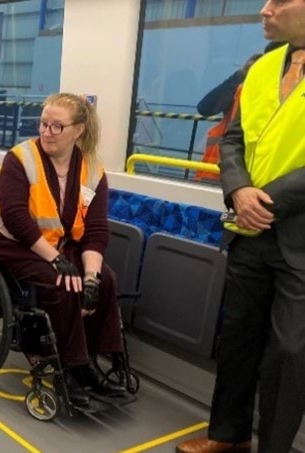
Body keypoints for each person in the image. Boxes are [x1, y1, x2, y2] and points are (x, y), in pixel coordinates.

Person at [177, 1, 305, 452]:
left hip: (298, 238)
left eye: (278, 1)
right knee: (238, 338)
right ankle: (227, 436)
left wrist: (263, 200)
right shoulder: (265, 66)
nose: (265, 10)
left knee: (290, 353)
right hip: (249, 230)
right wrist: (238, 190)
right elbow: (232, 137)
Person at [0, 93, 127, 406]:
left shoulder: (93, 171)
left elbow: (96, 230)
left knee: (106, 280)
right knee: (60, 283)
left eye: (57, 127)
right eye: (43, 124)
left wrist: (90, 278)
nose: (46, 132)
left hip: (59, 241)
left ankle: (91, 364)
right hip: (11, 242)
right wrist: (57, 261)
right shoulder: (20, 158)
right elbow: (17, 219)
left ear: (78, 131)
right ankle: (70, 369)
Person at [194, 41, 284, 182]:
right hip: (218, 174)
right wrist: (242, 74)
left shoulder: (293, 97)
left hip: (260, 180)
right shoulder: (241, 89)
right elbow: (205, 108)